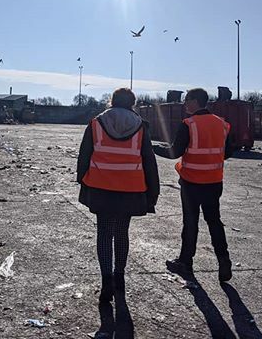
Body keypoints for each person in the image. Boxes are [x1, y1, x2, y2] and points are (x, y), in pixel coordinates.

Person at [77, 88, 160, 302]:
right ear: (132, 103)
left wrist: (82, 180)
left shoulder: (96, 123)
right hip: (130, 189)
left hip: (100, 187)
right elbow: (149, 160)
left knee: (104, 233)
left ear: (112, 101)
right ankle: (119, 277)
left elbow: (84, 154)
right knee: (122, 232)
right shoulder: (140, 126)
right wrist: (153, 190)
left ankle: (106, 281)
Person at [153, 88, 235, 282]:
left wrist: (152, 148)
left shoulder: (189, 124)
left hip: (192, 182)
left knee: (190, 223)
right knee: (214, 221)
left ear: (196, 101)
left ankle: (185, 262)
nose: (185, 104)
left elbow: (175, 152)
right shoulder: (222, 124)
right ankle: (224, 260)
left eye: (187, 100)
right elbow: (228, 151)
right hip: (214, 181)